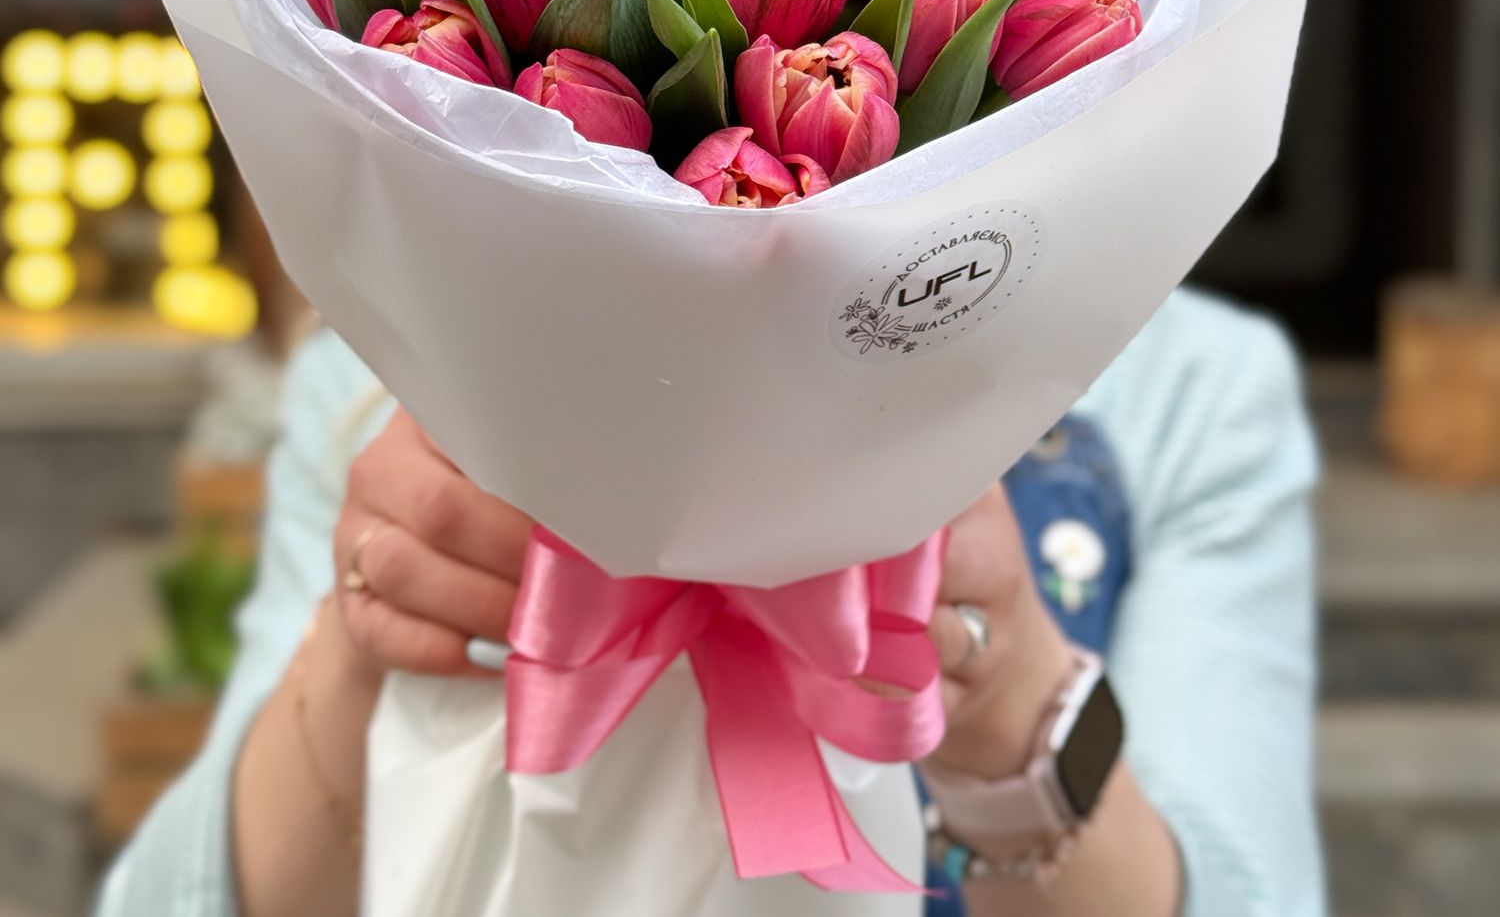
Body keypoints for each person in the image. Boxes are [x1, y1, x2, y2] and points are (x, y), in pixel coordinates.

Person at [98, 285, 1322, 917]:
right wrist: (372, 634)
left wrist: (1003, 690)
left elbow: (1252, 893)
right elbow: (177, 900)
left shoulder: (1196, 390)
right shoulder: (381, 378)